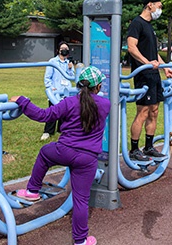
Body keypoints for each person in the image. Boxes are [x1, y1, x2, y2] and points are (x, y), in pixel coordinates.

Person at [12, 66, 110, 245]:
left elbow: (43, 115)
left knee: (44, 153)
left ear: (80, 85)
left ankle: (33, 190)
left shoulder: (69, 103)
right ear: (98, 87)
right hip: (88, 159)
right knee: (81, 200)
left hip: (64, 151)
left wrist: (22, 101)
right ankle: (80, 241)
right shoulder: (106, 105)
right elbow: (90, 108)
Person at [126, 0, 172, 162]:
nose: (159, 10)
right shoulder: (137, 23)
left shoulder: (150, 26)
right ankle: (134, 149)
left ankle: (148, 147)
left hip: (154, 74)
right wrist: (147, 63)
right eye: (159, 6)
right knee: (143, 111)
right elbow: (131, 48)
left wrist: (165, 68)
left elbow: (154, 53)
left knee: (154, 111)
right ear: (150, 5)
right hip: (143, 74)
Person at [41, 41, 75, 140]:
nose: (64, 51)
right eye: (62, 49)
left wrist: (70, 68)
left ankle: (62, 130)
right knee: (52, 112)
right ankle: (48, 131)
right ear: (58, 50)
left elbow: (72, 77)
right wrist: (51, 88)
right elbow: (47, 77)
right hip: (55, 91)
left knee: (65, 113)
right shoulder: (52, 62)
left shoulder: (69, 63)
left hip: (66, 92)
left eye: (66, 49)